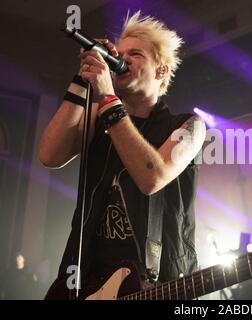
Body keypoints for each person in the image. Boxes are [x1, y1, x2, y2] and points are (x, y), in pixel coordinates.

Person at [39, 11, 206, 299]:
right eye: (121, 53)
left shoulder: (188, 127)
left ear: (161, 71)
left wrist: (107, 97)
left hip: (158, 284)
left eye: (136, 54)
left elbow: (152, 178)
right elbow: (49, 155)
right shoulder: (97, 116)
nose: (123, 59)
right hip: (86, 278)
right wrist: (82, 79)